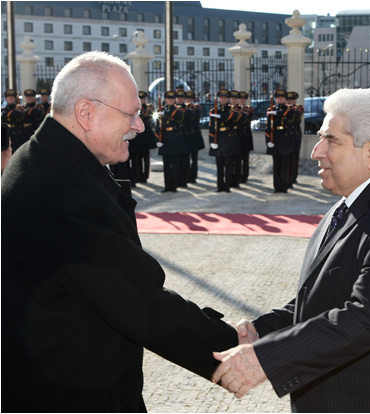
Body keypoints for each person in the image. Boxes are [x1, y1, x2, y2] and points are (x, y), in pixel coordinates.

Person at [1, 51, 240, 413]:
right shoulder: (66, 193)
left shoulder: (42, 158)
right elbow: (139, 302)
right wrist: (234, 346)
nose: (140, 126)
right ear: (86, 113)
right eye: (131, 114)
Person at [212, 88, 370, 413]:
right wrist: (261, 332)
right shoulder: (347, 205)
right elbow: (322, 297)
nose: (316, 151)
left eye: (330, 140)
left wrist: (267, 359)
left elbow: (369, 315)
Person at [155, 90, 189, 192]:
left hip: (175, 139)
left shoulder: (178, 110)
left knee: (175, 165)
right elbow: (157, 126)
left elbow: (180, 119)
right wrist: (158, 139)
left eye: (172, 99)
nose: (170, 101)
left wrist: (165, 114)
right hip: (164, 139)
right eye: (168, 99)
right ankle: (167, 185)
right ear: (165, 100)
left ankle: (174, 186)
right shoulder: (160, 110)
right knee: (166, 165)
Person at [209, 89, 241, 192]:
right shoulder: (214, 110)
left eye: (225, 97)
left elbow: (234, 116)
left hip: (228, 139)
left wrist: (220, 116)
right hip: (218, 138)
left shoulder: (232, 109)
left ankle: (227, 186)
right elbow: (211, 128)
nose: (223, 99)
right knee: (219, 165)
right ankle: (220, 186)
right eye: (221, 97)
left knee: (228, 165)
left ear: (228, 99)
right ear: (219, 99)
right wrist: (212, 141)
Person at [265, 89, 296, 193]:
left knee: (285, 165)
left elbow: (290, 115)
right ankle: (276, 186)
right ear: (276, 99)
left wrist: (277, 113)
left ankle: (284, 186)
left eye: (282, 97)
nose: (280, 99)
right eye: (278, 97)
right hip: (275, 139)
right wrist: (268, 140)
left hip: (286, 139)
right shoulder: (271, 109)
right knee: (276, 165)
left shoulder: (289, 109)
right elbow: (268, 127)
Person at [128, 91, 157, 186]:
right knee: (138, 158)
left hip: (146, 136)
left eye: (142, 98)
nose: (141, 100)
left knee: (146, 157)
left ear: (145, 99)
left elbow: (149, 119)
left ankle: (145, 176)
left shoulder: (149, 108)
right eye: (139, 98)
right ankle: (138, 176)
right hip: (137, 137)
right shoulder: (134, 108)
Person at [185, 90, 205, 183]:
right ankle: (187, 175)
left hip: (195, 136)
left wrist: (192, 109)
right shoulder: (183, 108)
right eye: (187, 99)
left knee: (194, 158)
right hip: (186, 136)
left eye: (190, 99)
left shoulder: (196, 108)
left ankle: (193, 176)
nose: (189, 101)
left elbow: (195, 117)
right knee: (186, 158)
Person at [1, 89, 24, 153]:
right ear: (6, 99)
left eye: (12, 98)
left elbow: (19, 115)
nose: (10, 99)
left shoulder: (18, 109)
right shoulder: (3, 109)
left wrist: (7, 114)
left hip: (15, 135)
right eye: (9, 98)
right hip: (5, 135)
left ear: (14, 99)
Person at [238, 91, 254, 184]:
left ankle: (245, 176)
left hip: (246, 136)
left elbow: (247, 119)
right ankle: (238, 175)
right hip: (237, 136)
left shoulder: (249, 109)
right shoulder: (234, 109)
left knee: (245, 159)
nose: (242, 100)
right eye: (240, 99)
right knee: (237, 158)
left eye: (244, 99)